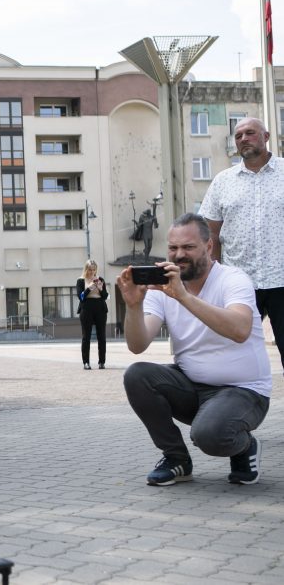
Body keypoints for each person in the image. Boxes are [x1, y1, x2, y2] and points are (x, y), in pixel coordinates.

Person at [117, 213, 271, 487]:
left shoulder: (233, 279)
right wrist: (133, 306)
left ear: (208, 246)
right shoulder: (162, 288)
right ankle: (177, 460)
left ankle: (244, 446)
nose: (179, 255)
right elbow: (138, 345)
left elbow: (240, 329)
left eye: (188, 247)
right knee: (137, 375)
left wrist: (184, 297)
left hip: (244, 391)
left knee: (210, 435)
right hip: (192, 387)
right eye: (173, 248)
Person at [200, 116, 284, 372]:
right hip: (240, 284)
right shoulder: (222, 181)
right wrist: (213, 282)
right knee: (234, 356)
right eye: (238, 135)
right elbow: (210, 237)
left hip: (282, 280)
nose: (243, 139)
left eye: (250, 133)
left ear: (266, 137)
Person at [76, 259, 108, 370]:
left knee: (102, 336)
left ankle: (102, 362)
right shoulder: (80, 281)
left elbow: (105, 296)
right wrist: (89, 288)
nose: (92, 272)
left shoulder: (100, 279)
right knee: (86, 337)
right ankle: (86, 362)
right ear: (86, 269)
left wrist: (100, 288)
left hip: (100, 307)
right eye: (90, 269)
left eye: (94, 270)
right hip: (87, 308)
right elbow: (80, 297)